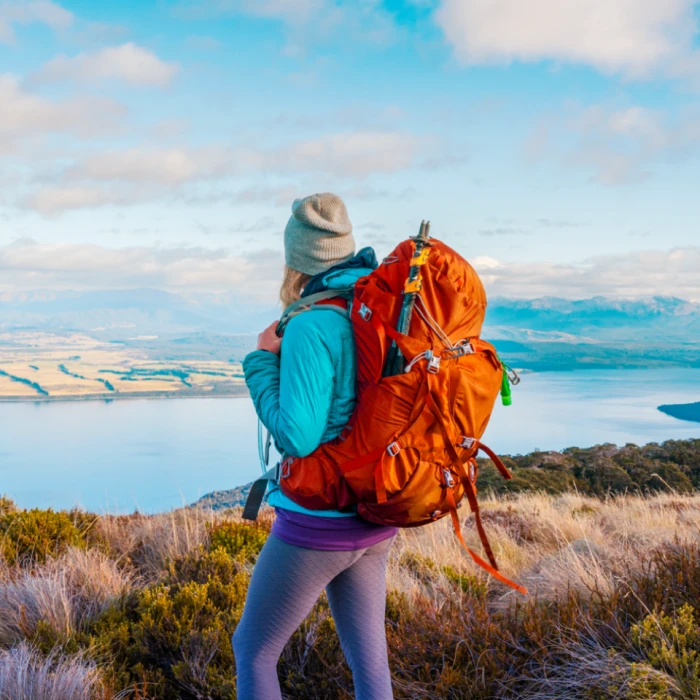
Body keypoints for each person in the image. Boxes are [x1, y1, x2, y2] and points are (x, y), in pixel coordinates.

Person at [233, 193, 397, 700]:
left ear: (297, 259)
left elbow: (297, 437)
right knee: (369, 659)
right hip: (375, 513)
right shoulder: (376, 308)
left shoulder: (310, 323)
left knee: (253, 651)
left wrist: (261, 362)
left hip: (321, 520)